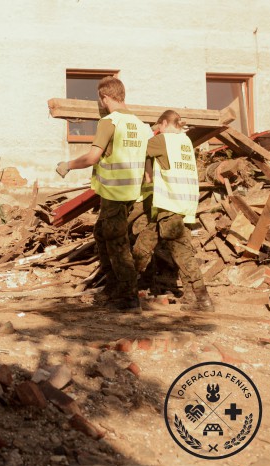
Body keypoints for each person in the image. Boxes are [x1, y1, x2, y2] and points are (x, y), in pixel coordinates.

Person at [55, 76, 151, 313]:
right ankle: (113, 287)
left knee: (117, 244)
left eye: (100, 99)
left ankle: (126, 296)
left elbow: (92, 157)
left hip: (115, 193)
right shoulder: (141, 125)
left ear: (105, 98)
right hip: (132, 192)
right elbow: (148, 163)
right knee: (102, 234)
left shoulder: (110, 122)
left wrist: (68, 165)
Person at [132, 110, 214, 312]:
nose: (158, 130)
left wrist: (148, 130)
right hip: (182, 203)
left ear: (166, 123)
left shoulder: (164, 140)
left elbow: (138, 149)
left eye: (160, 126)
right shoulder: (184, 142)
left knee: (182, 253)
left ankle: (202, 298)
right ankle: (127, 288)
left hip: (170, 203)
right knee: (145, 242)